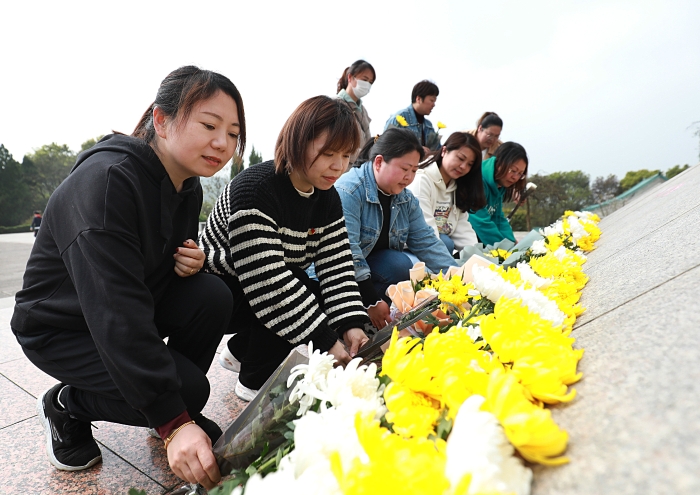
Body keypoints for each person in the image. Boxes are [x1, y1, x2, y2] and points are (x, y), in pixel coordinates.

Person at [11, 66, 244, 490]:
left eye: (232, 133)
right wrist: (173, 418)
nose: (222, 143)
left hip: (122, 308)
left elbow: (149, 267)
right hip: (62, 327)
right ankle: (67, 404)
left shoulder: (186, 184)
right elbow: (115, 310)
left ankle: (171, 403)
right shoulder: (105, 183)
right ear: (161, 119)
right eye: (209, 125)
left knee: (212, 294)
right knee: (185, 392)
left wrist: (187, 259)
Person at [199, 95, 370, 401]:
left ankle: (242, 350)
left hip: (268, 278)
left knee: (313, 291)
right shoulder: (257, 188)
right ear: (298, 142)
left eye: (346, 156)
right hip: (217, 286)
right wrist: (326, 341)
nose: (339, 166)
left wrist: (351, 325)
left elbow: (337, 267)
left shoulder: (326, 197)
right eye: (329, 153)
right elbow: (268, 281)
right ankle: (254, 381)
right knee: (295, 285)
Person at [335, 128, 458, 330]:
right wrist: (371, 300)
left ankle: (380, 314)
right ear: (378, 162)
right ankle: (361, 317)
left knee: (405, 260)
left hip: (371, 266)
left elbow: (427, 241)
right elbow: (348, 251)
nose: (409, 177)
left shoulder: (404, 198)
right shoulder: (350, 190)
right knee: (399, 264)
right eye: (404, 169)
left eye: (414, 171)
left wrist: (459, 280)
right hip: (342, 275)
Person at [407, 132, 486, 254]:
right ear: (444, 151)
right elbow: (424, 232)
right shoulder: (422, 180)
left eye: (470, 164)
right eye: (460, 158)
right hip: (410, 246)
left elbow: (463, 230)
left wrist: (480, 259)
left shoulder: (458, 187)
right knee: (446, 243)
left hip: (435, 246)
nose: (463, 166)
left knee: (446, 242)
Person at [468, 142, 529, 246]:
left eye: (520, 174)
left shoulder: (499, 184)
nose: (515, 177)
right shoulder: (477, 180)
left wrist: (513, 243)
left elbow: (498, 218)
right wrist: (505, 249)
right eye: (513, 170)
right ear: (499, 163)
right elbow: (481, 223)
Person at [384, 80, 441, 153]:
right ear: (418, 99)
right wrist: (416, 149)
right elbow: (386, 145)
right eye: (431, 100)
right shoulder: (398, 118)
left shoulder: (428, 125)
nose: (434, 105)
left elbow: (437, 151)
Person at [336, 59, 376, 163]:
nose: (367, 85)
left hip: (359, 169)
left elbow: (368, 142)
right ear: (350, 77)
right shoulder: (336, 105)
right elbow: (336, 145)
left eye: (370, 82)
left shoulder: (363, 110)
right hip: (341, 170)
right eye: (364, 79)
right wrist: (366, 154)